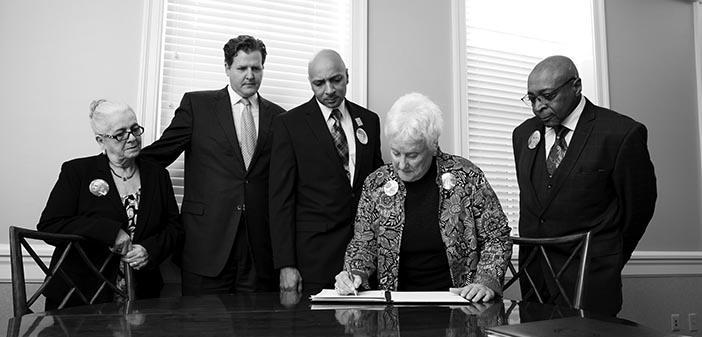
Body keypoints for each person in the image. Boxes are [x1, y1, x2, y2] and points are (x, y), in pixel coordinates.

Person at [513, 55, 656, 316]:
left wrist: (607, 257)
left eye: (547, 96)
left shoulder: (620, 133)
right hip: (535, 277)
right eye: (532, 98)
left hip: (590, 278)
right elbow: (535, 203)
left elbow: (638, 209)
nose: (537, 107)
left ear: (576, 86)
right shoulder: (523, 134)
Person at [141, 35, 285, 294]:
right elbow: (157, 157)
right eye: (242, 68)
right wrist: (115, 163)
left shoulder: (280, 117)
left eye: (256, 68)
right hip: (205, 243)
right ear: (227, 68)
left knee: (257, 332)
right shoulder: (197, 106)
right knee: (202, 330)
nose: (250, 75)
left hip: (259, 249)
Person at [334, 93, 512, 302]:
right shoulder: (376, 183)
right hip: (395, 306)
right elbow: (363, 243)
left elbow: (497, 236)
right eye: (395, 153)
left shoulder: (467, 177)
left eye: (412, 155)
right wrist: (353, 274)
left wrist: (486, 281)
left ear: (433, 145)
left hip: (459, 303)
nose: (401, 164)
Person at [38, 100, 182, 310]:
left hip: (142, 295)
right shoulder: (77, 172)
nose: (132, 138)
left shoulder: (157, 174)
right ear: (100, 140)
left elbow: (174, 228)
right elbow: (50, 225)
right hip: (80, 296)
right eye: (120, 134)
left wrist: (148, 250)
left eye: (135, 129)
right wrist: (110, 232)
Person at [269, 49, 384, 294]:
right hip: (314, 257)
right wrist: (286, 264)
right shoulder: (289, 124)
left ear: (347, 76)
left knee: (361, 329)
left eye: (336, 80)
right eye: (319, 83)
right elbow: (281, 200)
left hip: (363, 257)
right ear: (310, 83)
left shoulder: (369, 121)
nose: (329, 90)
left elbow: (378, 186)